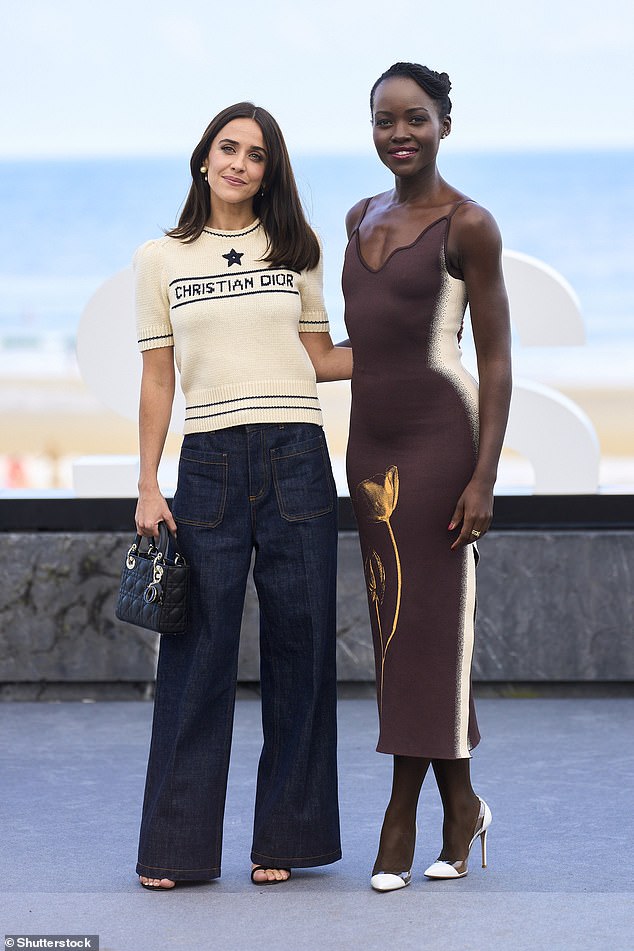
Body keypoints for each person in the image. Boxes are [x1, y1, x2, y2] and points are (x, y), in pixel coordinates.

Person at [133, 101, 352, 889]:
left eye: (257, 155)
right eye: (229, 148)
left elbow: (320, 358)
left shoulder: (298, 246)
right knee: (197, 657)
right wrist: (147, 480)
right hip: (210, 465)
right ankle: (176, 849)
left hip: (297, 454)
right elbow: (159, 377)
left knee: (302, 649)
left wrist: (409, 341)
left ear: (270, 170)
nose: (240, 164)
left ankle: (285, 841)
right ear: (203, 159)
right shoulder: (159, 258)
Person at [342, 63, 512, 891]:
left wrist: (484, 475)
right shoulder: (356, 216)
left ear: (444, 123)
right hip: (367, 448)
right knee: (399, 629)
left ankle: (401, 814)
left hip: (442, 439)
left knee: (428, 625)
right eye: (384, 120)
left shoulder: (469, 224)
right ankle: (466, 801)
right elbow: (360, 345)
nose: (398, 134)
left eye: (415, 119)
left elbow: (497, 357)